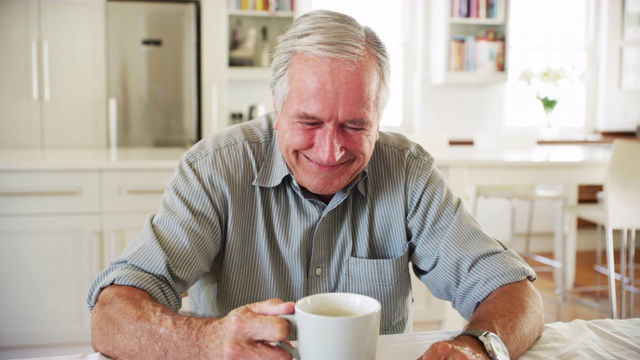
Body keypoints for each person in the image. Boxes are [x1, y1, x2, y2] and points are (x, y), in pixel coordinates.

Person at [87, 9, 543, 360]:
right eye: (308, 121)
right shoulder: (214, 169)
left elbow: (515, 293)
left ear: (378, 120)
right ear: (276, 108)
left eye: (354, 125)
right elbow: (111, 316)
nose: (330, 152)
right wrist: (207, 341)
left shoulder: (407, 171)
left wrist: (477, 347)